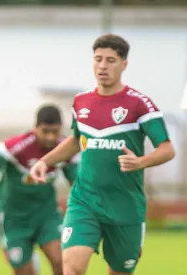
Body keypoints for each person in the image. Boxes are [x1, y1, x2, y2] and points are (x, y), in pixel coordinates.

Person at [30, 34, 176, 275]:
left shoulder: (140, 104)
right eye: (98, 59)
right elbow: (77, 140)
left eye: (110, 60)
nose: (102, 66)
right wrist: (45, 162)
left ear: (124, 65)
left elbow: (167, 149)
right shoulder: (81, 102)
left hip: (125, 206)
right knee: (71, 268)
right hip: (85, 201)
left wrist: (141, 162)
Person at [0, 105, 78, 275]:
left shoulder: (64, 148)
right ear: (35, 127)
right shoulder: (15, 146)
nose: (50, 137)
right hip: (14, 218)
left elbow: (75, 183)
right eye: (45, 131)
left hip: (47, 216)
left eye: (55, 131)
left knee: (62, 261)